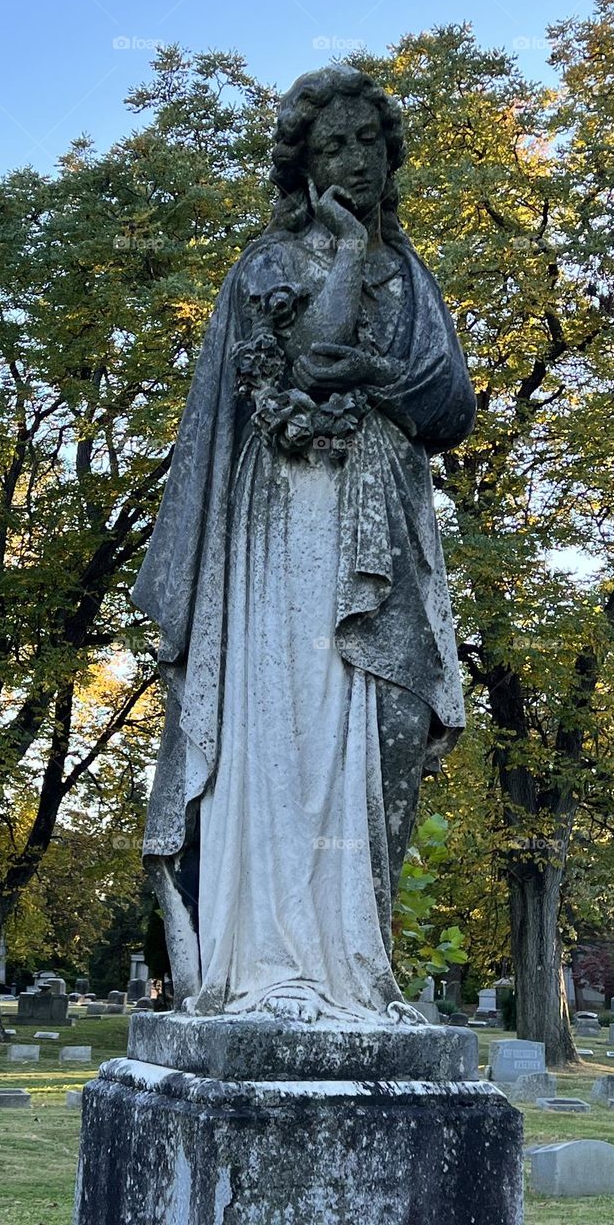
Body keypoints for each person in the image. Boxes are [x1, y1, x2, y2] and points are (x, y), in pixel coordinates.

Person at [131, 65, 476, 1024]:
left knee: (387, 724)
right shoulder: (266, 268)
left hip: (380, 517)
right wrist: (346, 261)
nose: (357, 159)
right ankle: (272, 963)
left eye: (370, 141)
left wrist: (379, 358)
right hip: (280, 521)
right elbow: (299, 376)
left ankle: (358, 969)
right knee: (279, 724)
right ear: (305, 163)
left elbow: (450, 408)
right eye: (335, 145)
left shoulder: (411, 276)